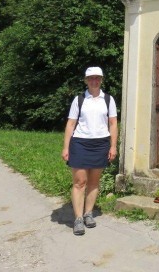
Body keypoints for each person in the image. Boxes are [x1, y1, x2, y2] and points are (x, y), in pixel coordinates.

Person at [62, 66, 118, 236]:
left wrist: (113, 146)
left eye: (97, 78)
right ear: (86, 81)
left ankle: (88, 213)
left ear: (101, 80)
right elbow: (71, 124)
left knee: (94, 182)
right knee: (80, 182)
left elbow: (113, 124)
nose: (94, 81)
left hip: (101, 144)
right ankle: (78, 219)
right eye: (91, 78)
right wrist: (66, 147)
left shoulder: (108, 99)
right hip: (80, 143)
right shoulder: (79, 100)